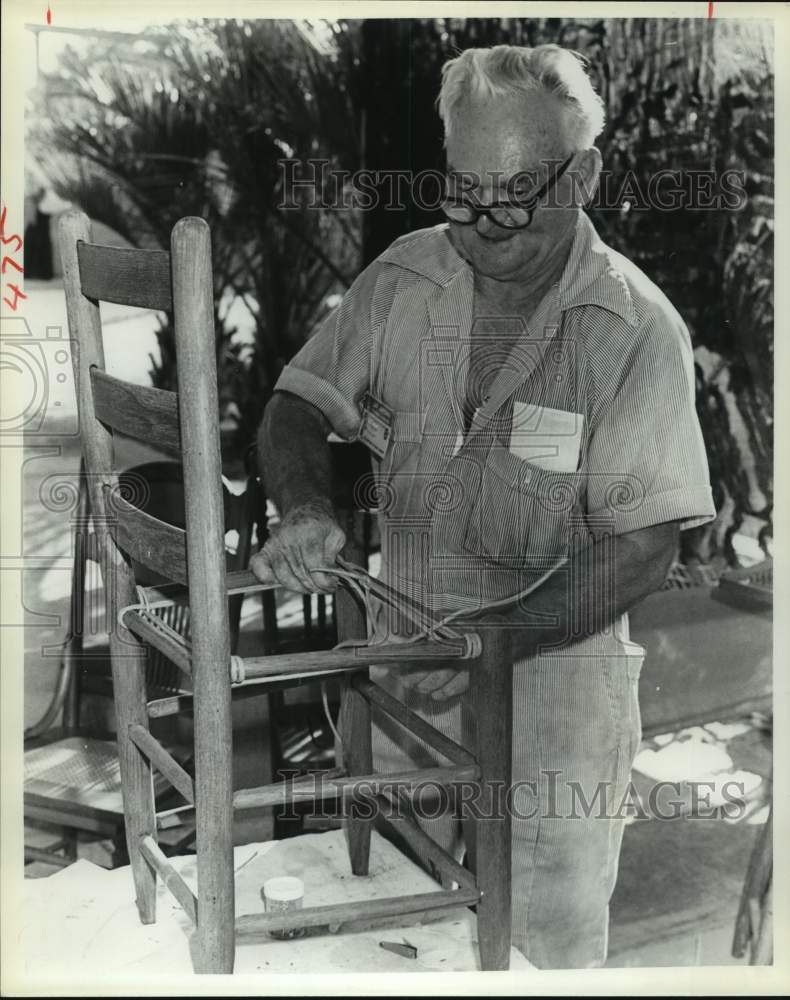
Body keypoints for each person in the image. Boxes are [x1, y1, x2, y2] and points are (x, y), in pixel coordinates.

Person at [251, 44, 716, 968]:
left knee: (542, 955)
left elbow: (646, 547)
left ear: (582, 174)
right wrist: (303, 504)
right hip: (405, 661)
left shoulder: (635, 329)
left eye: (514, 193)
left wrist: (490, 639)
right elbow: (296, 405)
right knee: (388, 928)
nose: (482, 225)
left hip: (560, 676)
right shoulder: (404, 277)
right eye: (461, 191)